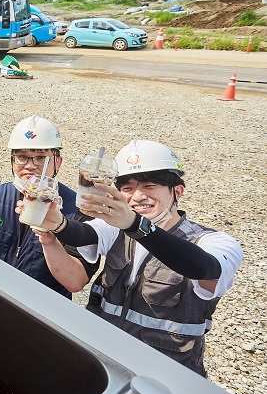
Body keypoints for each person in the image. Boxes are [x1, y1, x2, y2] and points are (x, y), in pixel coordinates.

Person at [31, 140, 243, 376]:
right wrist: (58, 224)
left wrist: (135, 225)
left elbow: (205, 268)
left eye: (150, 185)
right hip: (103, 363)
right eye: (128, 188)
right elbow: (82, 233)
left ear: (177, 192)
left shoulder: (214, 242)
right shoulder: (117, 228)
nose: (138, 196)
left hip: (167, 375)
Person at [0, 115, 97, 298]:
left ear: (58, 162)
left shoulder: (78, 211)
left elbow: (76, 282)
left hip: (42, 308)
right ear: (12, 160)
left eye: (41, 157)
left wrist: (50, 237)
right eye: (22, 157)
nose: (30, 165)